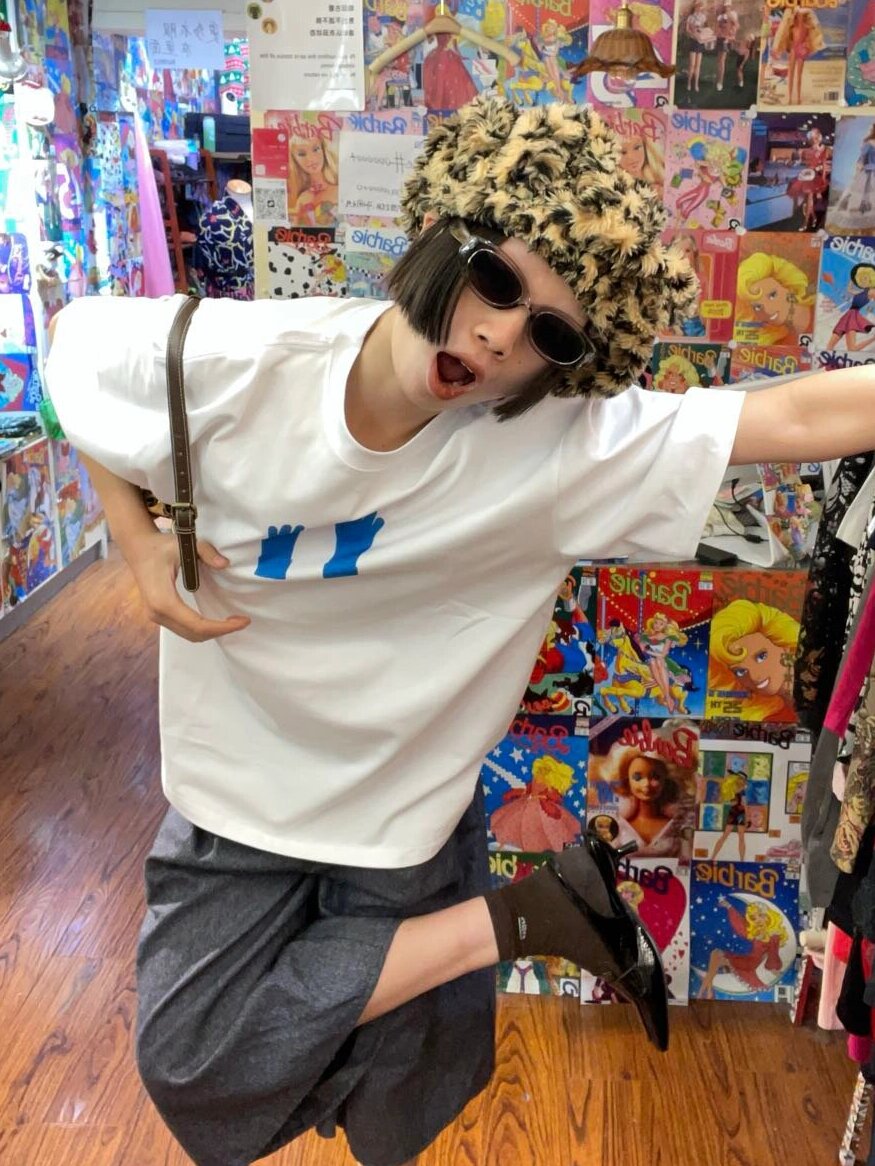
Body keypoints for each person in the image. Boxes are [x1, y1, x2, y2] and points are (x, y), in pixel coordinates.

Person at [44, 95, 875, 1166]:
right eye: (496, 280)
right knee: (196, 1061)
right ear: (444, 233)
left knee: (404, 1108)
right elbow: (72, 350)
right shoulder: (239, 361)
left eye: (548, 333)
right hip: (237, 795)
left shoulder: (552, 448)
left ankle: (525, 917)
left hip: (403, 822)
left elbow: (792, 415)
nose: (498, 336)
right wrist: (134, 538)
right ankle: (530, 914)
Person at [708, 598, 800, 721]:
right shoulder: (769, 713)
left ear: (781, 644)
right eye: (740, 671)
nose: (755, 677)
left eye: (761, 656)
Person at [735, 251, 816, 346]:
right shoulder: (772, 342)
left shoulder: (823, 308)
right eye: (758, 307)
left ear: (788, 287)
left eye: (772, 295)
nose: (768, 310)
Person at [772, 8, 824, 106]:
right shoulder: (792, 27)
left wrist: (806, 46)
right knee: (791, 74)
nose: (800, 16)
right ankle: (790, 97)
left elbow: (814, 29)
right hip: (793, 49)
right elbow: (786, 36)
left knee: (799, 75)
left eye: (801, 15)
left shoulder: (806, 26)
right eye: (798, 15)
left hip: (801, 49)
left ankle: (798, 98)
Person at [829, 124, 875, 233]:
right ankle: (861, 226)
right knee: (862, 197)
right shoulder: (869, 143)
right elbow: (861, 159)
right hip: (868, 173)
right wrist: (858, 172)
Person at [287, 133, 339, 227]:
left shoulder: (339, 191)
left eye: (316, 149)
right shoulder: (303, 198)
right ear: (294, 159)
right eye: (302, 154)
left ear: (323, 150)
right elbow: (294, 230)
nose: (311, 159)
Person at [827, 262, 875, 353]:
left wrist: (870, 309)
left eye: (865, 278)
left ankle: (873, 339)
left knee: (852, 349)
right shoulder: (862, 291)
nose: (863, 280)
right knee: (830, 346)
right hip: (847, 316)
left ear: (871, 278)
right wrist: (852, 279)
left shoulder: (872, 291)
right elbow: (849, 290)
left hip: (854, 318)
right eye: (861, 278)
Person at [714, 0, 739, 92]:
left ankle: (720, 82)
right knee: (719, 60)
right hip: (720, 38)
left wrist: (731, 35)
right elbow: (717, 27)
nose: (726, 7)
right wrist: (717, 32)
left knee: (722, 60)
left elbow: (736, 26)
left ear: (730, 6)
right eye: (725, 6)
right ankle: (718, 79)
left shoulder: (733, 14)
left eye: (728, 6)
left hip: (726, 39)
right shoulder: (721, 15)